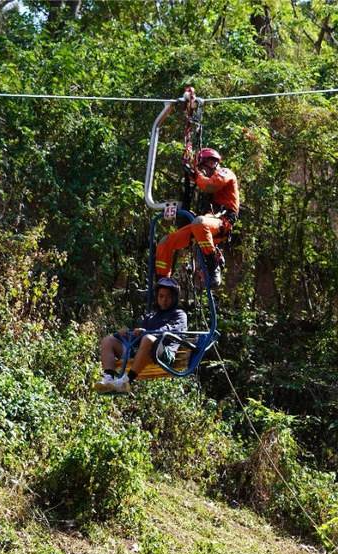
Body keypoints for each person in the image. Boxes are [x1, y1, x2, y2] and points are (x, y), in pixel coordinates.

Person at [154, 147, 239, 287]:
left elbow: (210, 186)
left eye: (202, 167)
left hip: (221, 224)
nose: (201, 172)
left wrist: (196, 175)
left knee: (199, 223)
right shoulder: (204, 181)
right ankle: (162, 285)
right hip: (202, 227)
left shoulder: (225, 173)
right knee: (165, 243)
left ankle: (213, 267)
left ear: (212, 163)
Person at [94, 277, 187, 394]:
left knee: (148, 338)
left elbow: (170, 331)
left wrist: (148, 333)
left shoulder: (179, 315)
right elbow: (138, 337)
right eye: (161, 296)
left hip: (164, 353)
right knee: (108, 340)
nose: (164, 300)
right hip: (143, 352)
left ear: (174, 298)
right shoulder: (151, 317)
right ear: (157, 297)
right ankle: (108, 379)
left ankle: (126, 382)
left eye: (168, 297)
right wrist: (127, 333)